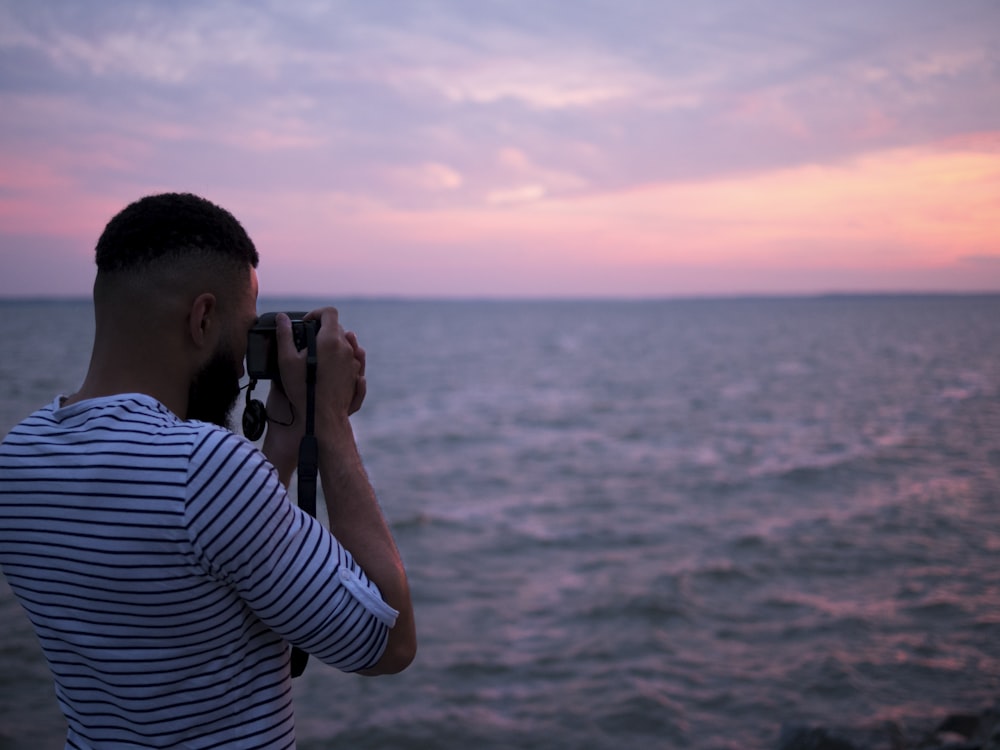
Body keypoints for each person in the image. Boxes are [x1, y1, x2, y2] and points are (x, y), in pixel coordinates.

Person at [0, 192, 416, 748]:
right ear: (201, 318)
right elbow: (387, 643)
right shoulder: (207, 469)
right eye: (245, 331)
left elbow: (198, 565)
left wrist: (283, 445)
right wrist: (331, 422)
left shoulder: (19, 456)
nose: (247, 359)